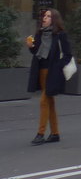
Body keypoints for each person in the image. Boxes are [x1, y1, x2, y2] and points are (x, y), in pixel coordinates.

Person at [25, 8, 72, 145]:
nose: (44, 18)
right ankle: (55, 133)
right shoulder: (40, 33)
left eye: (48, 16)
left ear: (54, 19)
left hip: (53, 72)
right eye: (44, 16)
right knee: (49, 101)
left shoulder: (60, 35)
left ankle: (40, 133)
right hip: (41, 70)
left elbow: (68, 54)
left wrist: (58, 66)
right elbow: (36, 51)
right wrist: (31, 46)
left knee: (44, 101)